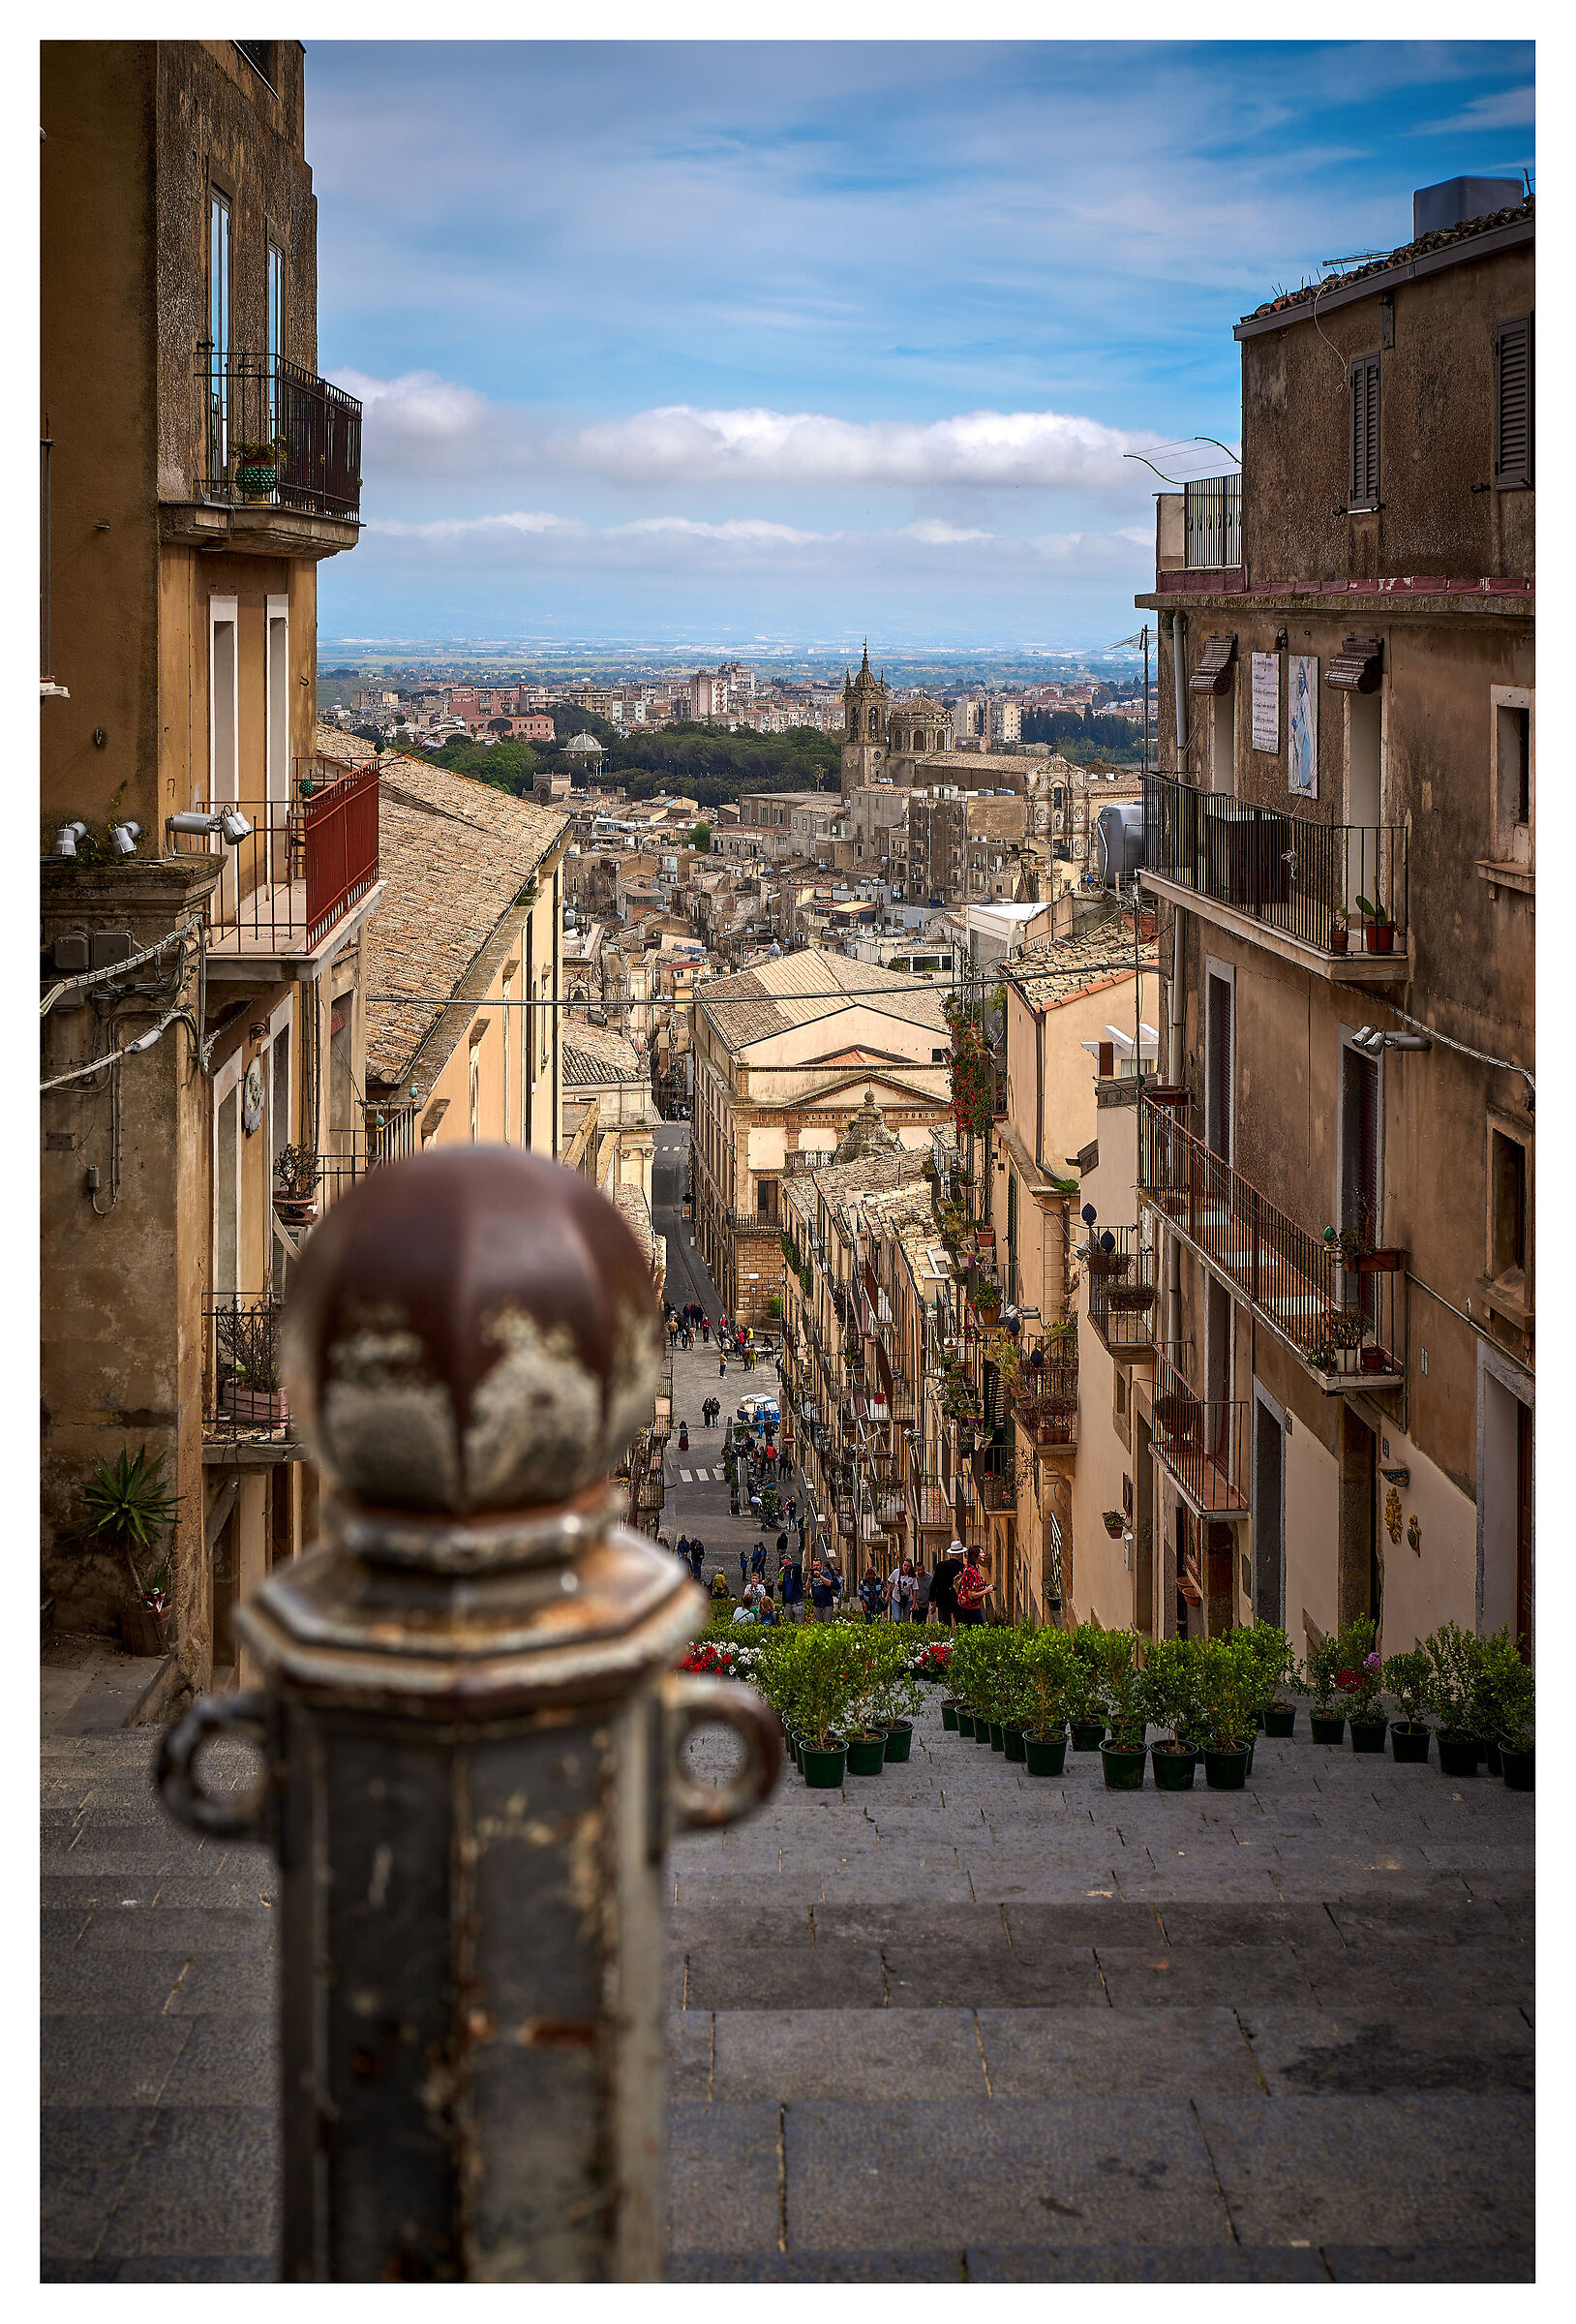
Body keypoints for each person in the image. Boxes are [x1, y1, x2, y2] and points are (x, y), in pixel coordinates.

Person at [929, 1541, 966, 1629]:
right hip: (957, 1598)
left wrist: (932, 1598)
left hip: (942, 1599)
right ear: (960, 1554)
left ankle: (944, 1641)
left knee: (944, 1624)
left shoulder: (940, 1565)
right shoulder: (962, 1567)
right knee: (960, 1623)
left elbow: (934, 1582)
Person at [955, 1549, 991, 1626]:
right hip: (969, 1609)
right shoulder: (971, 1571)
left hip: (971, 1607)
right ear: (975, 1557)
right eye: (981, 1553)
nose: (984, 1554)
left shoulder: (973, 1568)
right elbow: (971, 1595)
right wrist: (986, 1590)